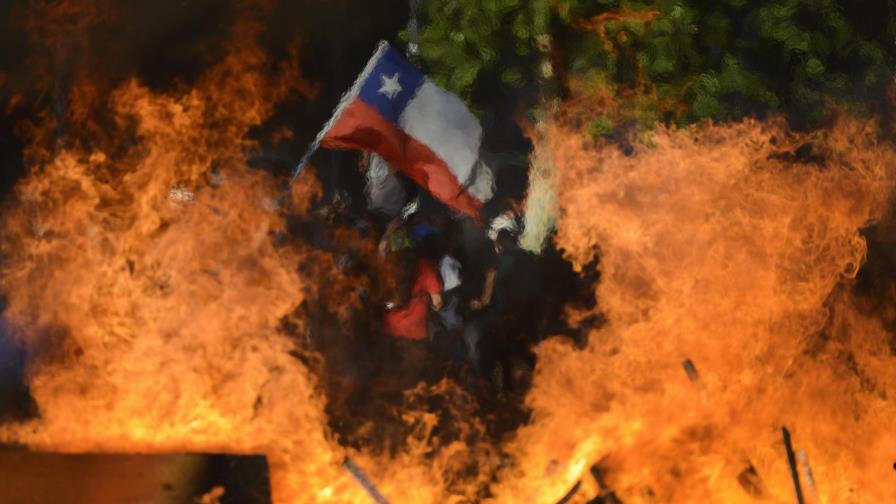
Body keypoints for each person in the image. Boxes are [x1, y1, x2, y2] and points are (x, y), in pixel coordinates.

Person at [381, 245, 443, 389]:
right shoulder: (427, 268)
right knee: (414, 381)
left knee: (390, 376)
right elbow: (437, 303)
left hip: (390, 330)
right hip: (415, 334)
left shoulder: (389, 266)